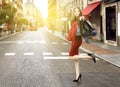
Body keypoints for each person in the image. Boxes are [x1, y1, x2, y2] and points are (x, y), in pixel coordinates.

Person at [66, 7, 96, 82]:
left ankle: (90, 56)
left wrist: (83, 19)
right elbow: (71, 30)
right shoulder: (73, 20)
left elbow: (84, 27)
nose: (76, 12)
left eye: (78, 11)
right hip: (74, 40)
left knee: (70, 56)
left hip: (77, 39)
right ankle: (77, 76)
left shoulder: (81, 18)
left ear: (80, 12)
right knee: (76, 59)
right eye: (75, 11)